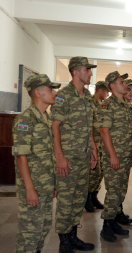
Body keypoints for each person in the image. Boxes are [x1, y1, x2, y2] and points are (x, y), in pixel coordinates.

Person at [51, 56, 97, 252]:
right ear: (76, 71)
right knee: (66, 200)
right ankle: (64, 242)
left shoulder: (87, 95)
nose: (90, 73)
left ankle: (73, 236)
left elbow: (88, 127)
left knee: (78, 199)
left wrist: (94, 148)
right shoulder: (63, 96)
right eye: (87, 70)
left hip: (84, 157)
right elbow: (55, 127)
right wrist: (60, 157)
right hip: (68, 158)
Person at [13, 74, 60, 253]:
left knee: (43, 228)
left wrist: (54, 182)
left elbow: (49, 155)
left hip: (46, 185)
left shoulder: (46, 118)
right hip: (33, 186)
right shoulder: (25, 120)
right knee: (30, 234)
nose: (54, 93)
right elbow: (21, 157)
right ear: (38, 93)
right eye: (50, 89)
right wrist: (30, 189)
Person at [97, 71, 132, 242]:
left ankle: (113, 221)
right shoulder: (108, 105)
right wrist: (113, 156)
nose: (125, 85)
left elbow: (131, 132)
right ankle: (106, 226)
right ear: (112, 85)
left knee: (121, 190)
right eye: (121, 82)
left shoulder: (127, 106)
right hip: (114, 156)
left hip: (126, 155)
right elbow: (104, 132)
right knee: (113, 191)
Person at [85, 81, 109, 212]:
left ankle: (94, 196)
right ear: (99, 90)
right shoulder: (90, 103)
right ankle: (87, 198)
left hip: (101, 143)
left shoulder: (101, 104)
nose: (107, 94)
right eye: (105, 91)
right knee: (92, 173)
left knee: (100, 173)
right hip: (92, 143)